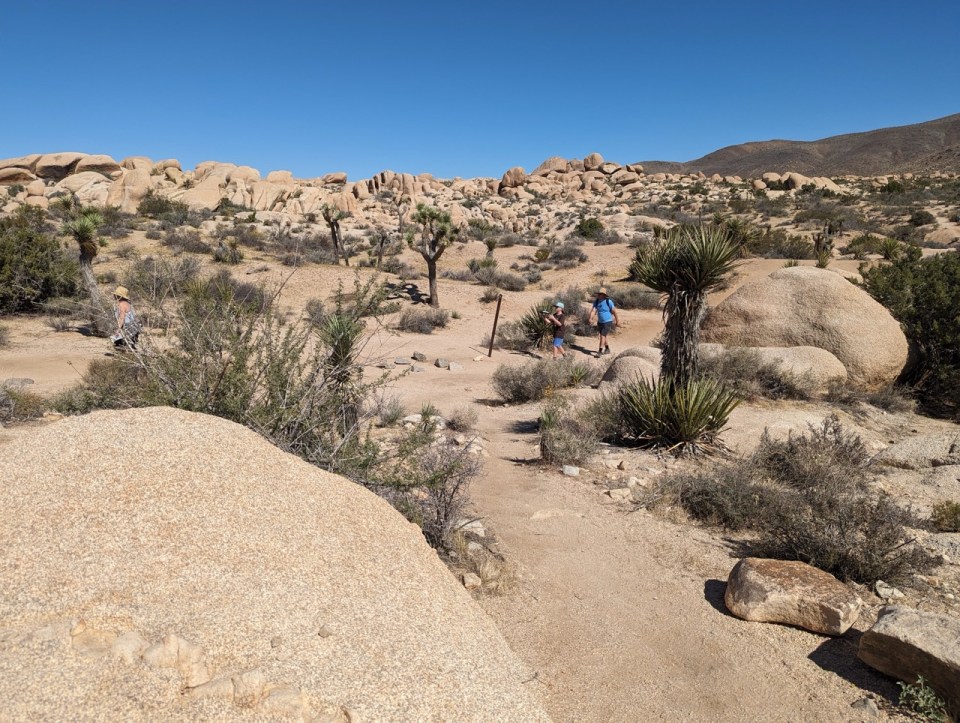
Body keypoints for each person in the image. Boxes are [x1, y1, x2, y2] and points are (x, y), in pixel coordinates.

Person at [588, 287, 619, 356]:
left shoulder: (608, 301)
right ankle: (607, 349)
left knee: (602, 335)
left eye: (600, 294)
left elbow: (614, 311)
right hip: (600, 322)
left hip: (607, 321)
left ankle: (600, 351)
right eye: (598, 294)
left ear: (604, 295)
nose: (598, 295)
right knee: (604, 336)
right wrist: (590, 318)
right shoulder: (596, 302)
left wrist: (617, 321)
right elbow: (593, 310)